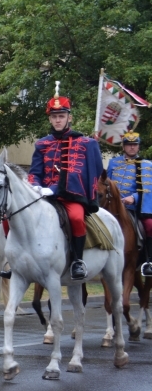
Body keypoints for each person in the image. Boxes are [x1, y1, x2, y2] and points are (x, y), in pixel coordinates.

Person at [28, 83, 103, 280]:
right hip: (44, 196)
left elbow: (81, 172)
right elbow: (34, 171)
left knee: (77, 218)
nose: (58, 120)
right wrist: (35, 185)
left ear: (69, 117)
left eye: (61, 116)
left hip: (70, 196)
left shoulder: (85, 143)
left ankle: (78, 260)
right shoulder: (42, 143)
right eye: (54, 116)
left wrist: (53, 189)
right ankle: (18, 261)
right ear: (50, 119)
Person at [106, 131, 152, 276]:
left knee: (150, 226)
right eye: (129, 145)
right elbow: (106, 183)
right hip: (113, 206)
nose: (132, 147)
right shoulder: (114, 162)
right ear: (123, 147)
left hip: (134, 208)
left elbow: (149, 187)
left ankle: (148, 261)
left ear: (138, 147)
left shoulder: (147, 165)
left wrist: (134, 198)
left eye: (134, 145)